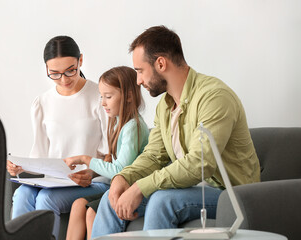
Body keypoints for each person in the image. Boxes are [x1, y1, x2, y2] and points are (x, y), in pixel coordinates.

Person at [91, 26, 261, 238]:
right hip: (189, 188)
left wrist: (140, 188)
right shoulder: (165, 105)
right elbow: (154, 156)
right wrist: (123, 178)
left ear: (160, 63)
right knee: (110, 198)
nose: (138, 81)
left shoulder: (214, 97)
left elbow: (200, 163)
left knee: (162, 200)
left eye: (140, 71)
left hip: (230, 194)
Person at [6, 35, 109, 239]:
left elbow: (111, 154)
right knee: (22, 194)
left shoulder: (100, 96)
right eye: (54, 73)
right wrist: (19, 167)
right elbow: (39, 155)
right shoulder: (42, 103)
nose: (64, 79)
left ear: (80, 60)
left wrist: (91, 172)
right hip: (53, 181)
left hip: (92, 181)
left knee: (46, 199)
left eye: (70, 70)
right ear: (46, 69)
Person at [64, 66, 150, 240]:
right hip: (120, 186)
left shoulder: (133, 126)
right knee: (78, 204)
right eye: (101, 97)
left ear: (129, 96)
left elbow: (120, 170)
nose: (103, 103)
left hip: (134, 189)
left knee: (91, 213)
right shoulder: (118, 123)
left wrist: (85, 159)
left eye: (108, 97)